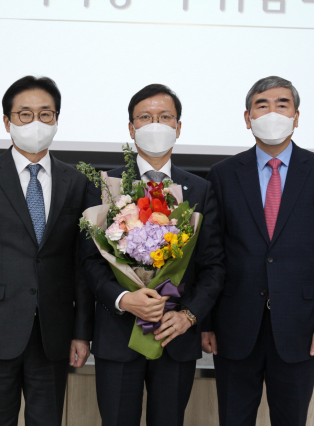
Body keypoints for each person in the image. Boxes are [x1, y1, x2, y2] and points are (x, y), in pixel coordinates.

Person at [0, 76, 95, 426]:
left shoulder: (76, 182)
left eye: (46, 114)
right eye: (25, 114)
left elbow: (82, 265)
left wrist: (81, 331)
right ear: (7, 122)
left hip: (53, 332)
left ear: (57, 120)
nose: (36, 123)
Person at [203, 76, 314, 426]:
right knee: (234, 418)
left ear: (296, 116)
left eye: (282, 104)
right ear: (247, 116)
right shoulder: (222, 174)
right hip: (234, 324)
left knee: (291, 419)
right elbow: (210, 254)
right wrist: (205, 322)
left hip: (300, 324)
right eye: (262, 105)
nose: (272, 112)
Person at [80, 84, 225, 426]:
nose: (155, 124)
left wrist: (189, 315)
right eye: (145, 117)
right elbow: (88, 260)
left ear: (178, 126)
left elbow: (214, 266)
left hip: (174, 336)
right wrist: (122, 298)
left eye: (165, 117)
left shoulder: (201, 189)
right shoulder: (104, 185)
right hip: (118, 335)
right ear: (131, 128)